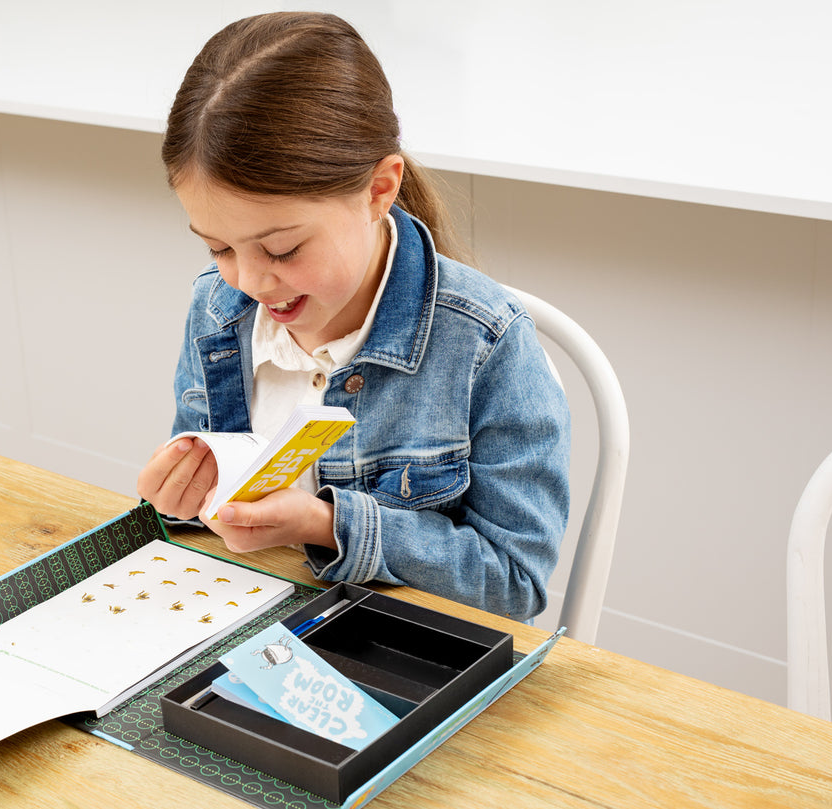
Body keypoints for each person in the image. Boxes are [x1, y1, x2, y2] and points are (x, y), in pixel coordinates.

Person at [137, 11, 569, 621]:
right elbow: (200, 525)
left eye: (283, 249)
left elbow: (512, 585)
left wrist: (327, 525)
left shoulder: (486, 343)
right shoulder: (217, 309)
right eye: (219, 247)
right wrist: (184, 496)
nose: (252, 281)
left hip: (399, 654)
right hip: (251, 626)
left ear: (379, 190)